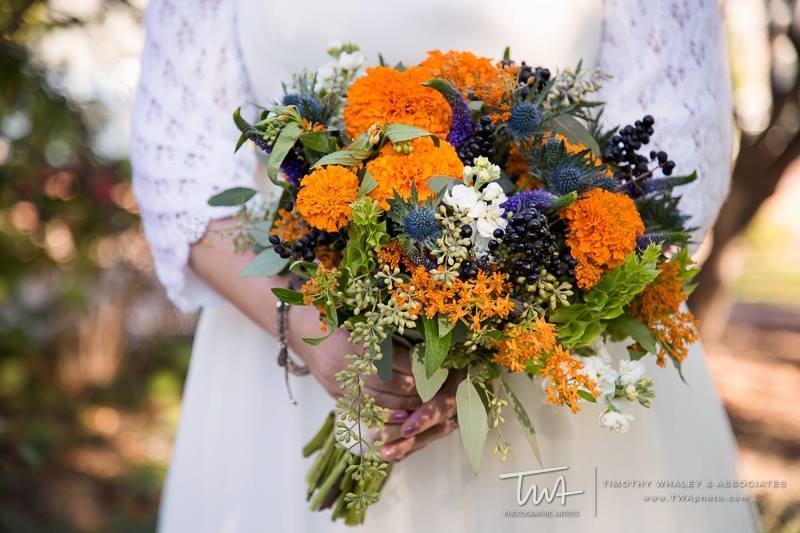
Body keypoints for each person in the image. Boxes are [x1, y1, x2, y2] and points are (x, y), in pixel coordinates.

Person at [131, 0, 762, 531]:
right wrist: (310, 328)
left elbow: (679, 160)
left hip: (552, 376)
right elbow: (177, 172)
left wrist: (484, 336)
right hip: (286, 334)